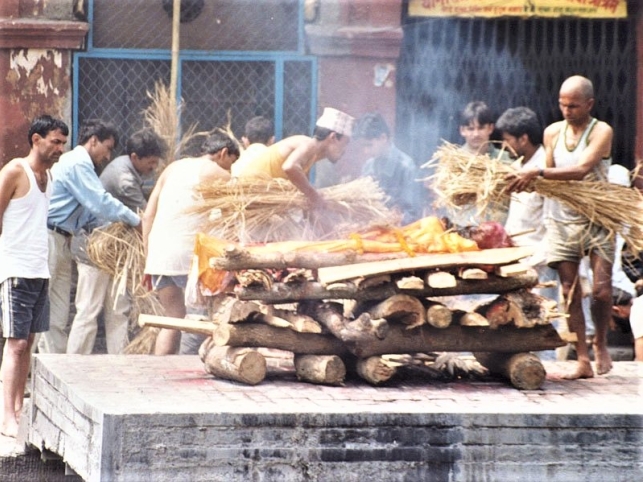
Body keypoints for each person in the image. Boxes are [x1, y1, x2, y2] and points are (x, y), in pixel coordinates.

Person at [507, 75, 614, 379]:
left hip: (599, 217)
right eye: (562, 104)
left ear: (589, 104)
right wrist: (527, 183)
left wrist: (537, 171)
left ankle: (600, 343)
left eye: (574, 105)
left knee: (602, 292)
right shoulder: (553, 132)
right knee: (569, 290)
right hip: (563, 220)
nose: (566, 110)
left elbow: (581, 170)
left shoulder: (601, 131)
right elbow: (551, 177)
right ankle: (581, 357)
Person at [40, 119, 142, 354]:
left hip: (63, 238)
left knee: (56, 315)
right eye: (107, 147)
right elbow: (99, 201)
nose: (108, 156)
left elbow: (89, 213)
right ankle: (31, 372)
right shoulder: (77, 163)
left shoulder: (81, 167)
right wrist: (136, 221)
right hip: (50, 237)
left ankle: (55, 373)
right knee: (44, 311)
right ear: (93, 141)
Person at [66, 129, 167, 355]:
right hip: (94, 251)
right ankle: (72, 364)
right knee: (89, 310)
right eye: (151, 163)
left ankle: (119, 363)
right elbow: (144, 217)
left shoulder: (127, 166)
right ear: (135, 158)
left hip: (114, 252)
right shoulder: (125, 178)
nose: (153, 168)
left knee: (118, 309)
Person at [0, 115, 69, 437]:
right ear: (36, 139)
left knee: (27, 344)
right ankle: (6, 417)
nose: (59, 148)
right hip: (14, 270)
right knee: (15, 344)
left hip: (39, 271)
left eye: (63, 143)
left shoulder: (49, 177)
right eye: (55, 141)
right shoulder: (16, 170)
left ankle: (18, 409)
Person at [143, 132, 240, 355]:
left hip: (159, 257)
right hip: (188, 258)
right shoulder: (216, 172)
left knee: (173, 319)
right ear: (223, 153)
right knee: (196, 319)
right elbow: (233, 218)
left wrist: (149, 261)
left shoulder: (172, 168)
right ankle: (189, 379)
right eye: (231, 163)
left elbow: (148, 216)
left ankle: (160, 377)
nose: (230, 170)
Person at [496, 106, 562, 360]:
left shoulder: (547, 167)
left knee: (541, 320)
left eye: (508, 139)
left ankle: (547, 368)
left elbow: (553, 219)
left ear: (523, 138)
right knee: (519, 319)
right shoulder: (517, 167)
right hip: (519, 259)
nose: (505, 145)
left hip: (540, 260)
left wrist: (540, 260)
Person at [235, 107, 354, 208]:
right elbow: (290, 167)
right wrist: (315, 196)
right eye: (345, 143)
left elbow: (302, 193)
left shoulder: (311, 155)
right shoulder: (307, 144)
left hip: (257, 197)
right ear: (333, 137)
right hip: (248, 194)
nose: (345, 150)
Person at [352, 112, 422, 224]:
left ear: (383, 138)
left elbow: (412, 213)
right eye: (363, 146)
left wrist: (390, 223)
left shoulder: (406, 167)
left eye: (369, 145)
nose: (366, 151)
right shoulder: (368, 166)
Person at [453, 101, 511, 225]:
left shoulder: (505, 161)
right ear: (462, 130)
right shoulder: (453, 161)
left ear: (490, 128)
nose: (476, 134)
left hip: (497, 230)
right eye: (470, 129)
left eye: (481, 128)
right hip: (462, 230)